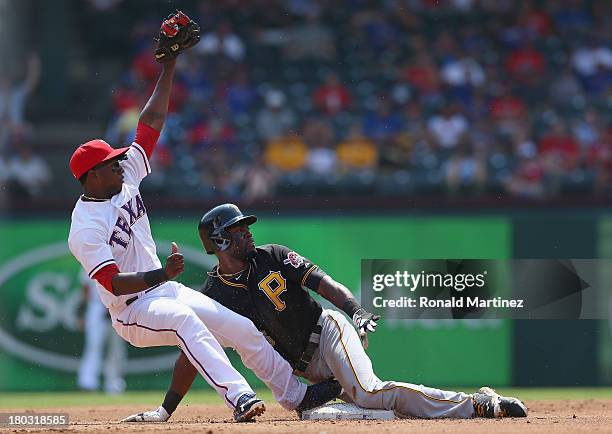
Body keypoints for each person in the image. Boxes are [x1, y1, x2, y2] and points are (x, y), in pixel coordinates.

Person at [68, 13, 338, 423]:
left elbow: (151, 123)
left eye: (119, 158)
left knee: (242, 328)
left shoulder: (124, 181)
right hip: (132, 311)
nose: (121, 162)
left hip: (161, 290)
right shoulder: (84, 227)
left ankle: (297, 396)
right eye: (111, 162)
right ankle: (241, 399)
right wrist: (164, 275)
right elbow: (113, 283)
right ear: (89, 177)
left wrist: (168, 63)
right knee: (184, 323)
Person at [124, 203, 528, 421]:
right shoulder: (214, 292)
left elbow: (322, 283)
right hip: (305, 372)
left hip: (328, 331)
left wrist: (354, 309)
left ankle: (475, 404)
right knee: (321, 414)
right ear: (218, 240)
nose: (248, 232)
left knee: (367, 392)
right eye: (238, 229)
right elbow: (193, 350)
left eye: (246, 226)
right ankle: (381, 407)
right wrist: (167, 409)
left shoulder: (273, 255)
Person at [77, 270, 126, 394]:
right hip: (96, 307)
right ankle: (88, 382)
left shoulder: (122, 258)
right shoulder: (91, 255)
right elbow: (85, 289)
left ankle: (113, 384)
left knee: (116, 349)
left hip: (118, 307)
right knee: (94, 346)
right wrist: (81, 311)